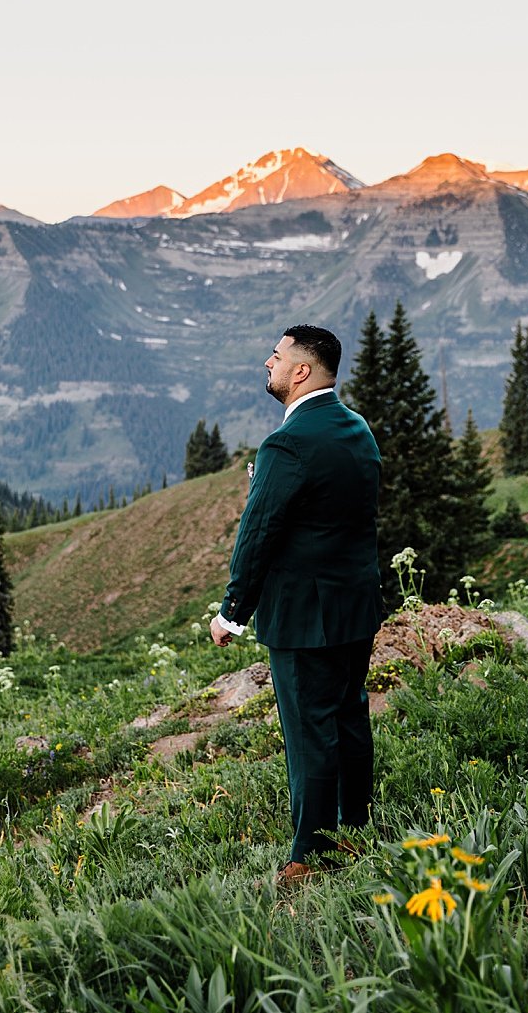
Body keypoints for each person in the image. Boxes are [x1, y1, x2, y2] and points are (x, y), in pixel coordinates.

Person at [212, 324, 382, 886]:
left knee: (309, 730)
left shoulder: (287, 443)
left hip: (303, 615)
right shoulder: (355, 428)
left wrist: (233, 611)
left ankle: (311, 852)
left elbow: (258, 531)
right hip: (355, 605)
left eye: (278, 356)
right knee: (349, 718)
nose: (269, 361)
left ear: (302, 371)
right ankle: (356, 829)